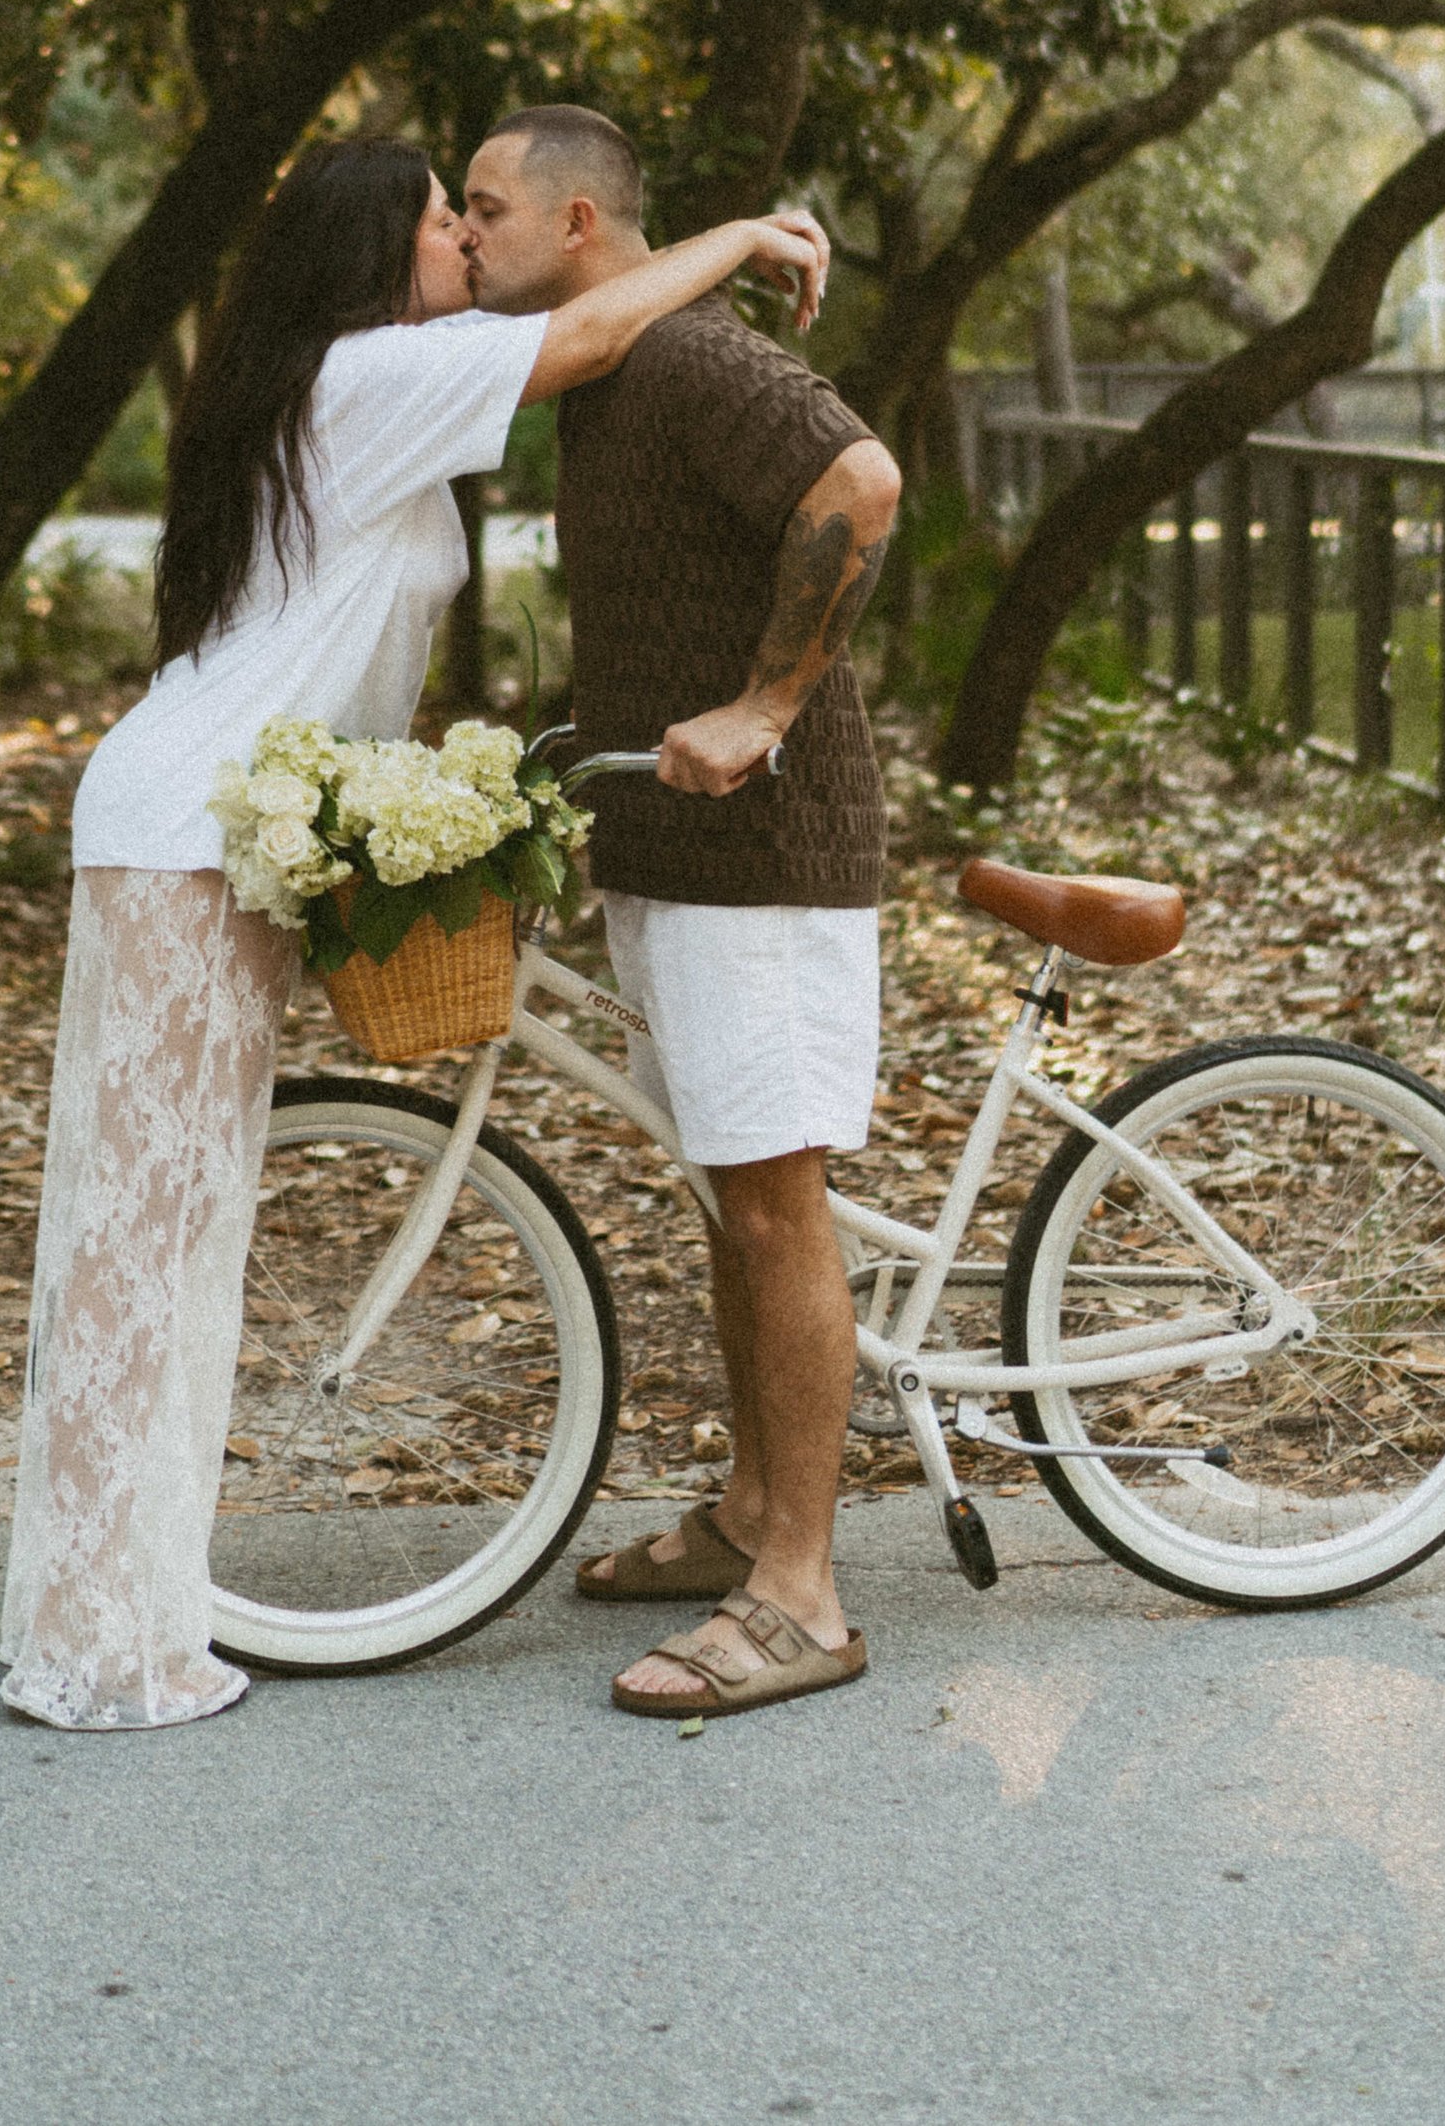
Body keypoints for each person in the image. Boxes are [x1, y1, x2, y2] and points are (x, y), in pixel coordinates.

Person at [0, 131, 830, 1731]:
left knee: (164, 1235)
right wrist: (737, 231)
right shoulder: (361, 380)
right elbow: (588, 331)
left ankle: (112, 1611)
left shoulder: (366, 374)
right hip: (180, 843)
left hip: (200, 846)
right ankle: (101, 1645)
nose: (465, 237)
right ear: (380, 249)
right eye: (447, 220)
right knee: (143, 1248)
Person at [461, 104, 902, 1722]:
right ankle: (746, 1517)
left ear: (581, 226)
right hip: (676, 847)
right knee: (738, 1195)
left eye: (488, 209)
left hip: (763, 844)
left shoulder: (697, 360)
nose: (465, 233)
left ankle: (803, 1593)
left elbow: (860, 480)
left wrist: (767, 704)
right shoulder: (609, 366)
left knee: (777, 1204)